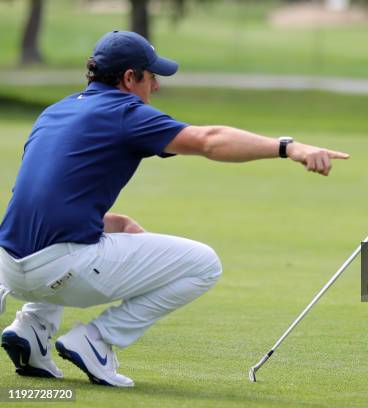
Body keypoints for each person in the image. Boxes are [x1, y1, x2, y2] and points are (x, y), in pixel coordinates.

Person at [0, 31, 349, 387]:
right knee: (204, 264)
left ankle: (31, 330)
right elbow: (209, 141)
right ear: (129, 78)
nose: (156, 86)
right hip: (59, 268)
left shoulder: (54, 111)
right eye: (151, 77)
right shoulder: (125, 112)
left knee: (106, 231)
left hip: (10, 268)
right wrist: (286, 147)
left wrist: (105, 222)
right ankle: (97, 339)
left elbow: (36, 197)